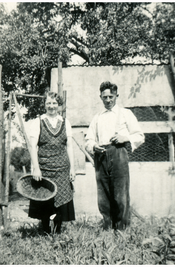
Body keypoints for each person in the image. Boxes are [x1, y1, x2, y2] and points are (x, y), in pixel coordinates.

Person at [85, 81, 144, 230]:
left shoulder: (125, 114)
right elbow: (88, 140)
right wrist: (94, 146)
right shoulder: (97, 117)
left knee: (120, 195)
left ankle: (122, 230)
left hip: (119, 155)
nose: (108, 100)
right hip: (101, 156)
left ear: (116, 96)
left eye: (111, 96)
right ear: (100, 97)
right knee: (103, 196)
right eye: (105, 97)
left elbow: (139, 136)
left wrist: (126, 138)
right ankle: (107, 228)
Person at [28, 91, 76, 234]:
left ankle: (58, 234)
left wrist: (72, 168)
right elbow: (32, 146)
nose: (51, 106)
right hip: (45, 168)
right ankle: (46, 233)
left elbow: (69, 146)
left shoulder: (65, 122)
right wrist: (36, 168)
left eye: (54, 103)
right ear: (44, 105)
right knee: (45, 201)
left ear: (59, 105)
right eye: (48, 103)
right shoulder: (38, 121)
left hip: (62, 169)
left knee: (60, 204)